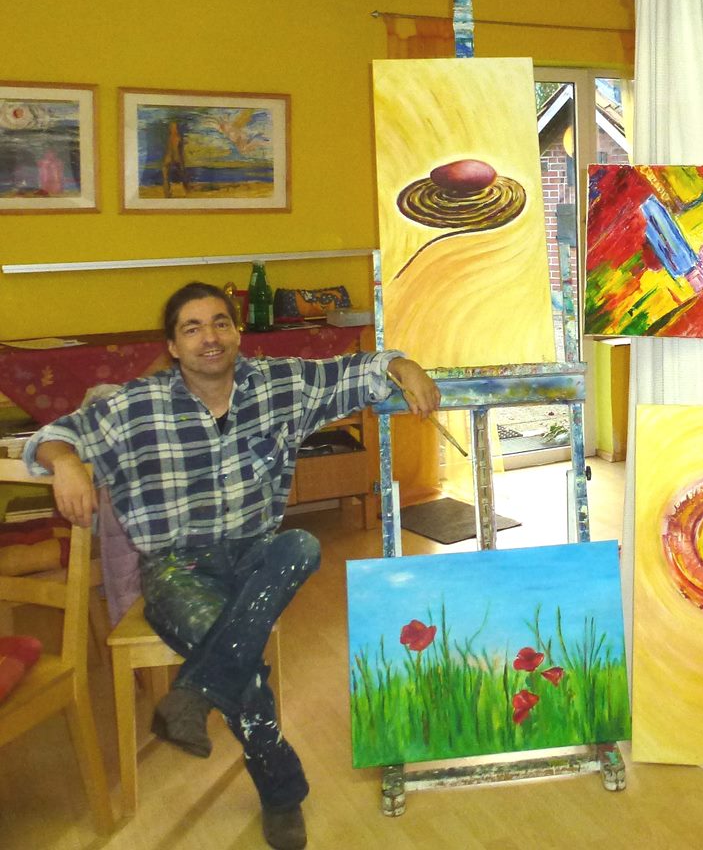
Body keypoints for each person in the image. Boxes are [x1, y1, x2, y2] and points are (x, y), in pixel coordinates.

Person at [23, 282, 440, 849]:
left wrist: (402, 365)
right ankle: (282, 792)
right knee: (238, 657)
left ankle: (194, 692)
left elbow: (355, 370)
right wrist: (66, 462)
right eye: (192, 328)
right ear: (173, 346)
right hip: (178, 567)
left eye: (220, 323)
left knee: (301, 545)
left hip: (254, 555)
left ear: (238, 333)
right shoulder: (136, 405)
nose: (210, 338)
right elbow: (54, 436)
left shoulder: (278, 385)